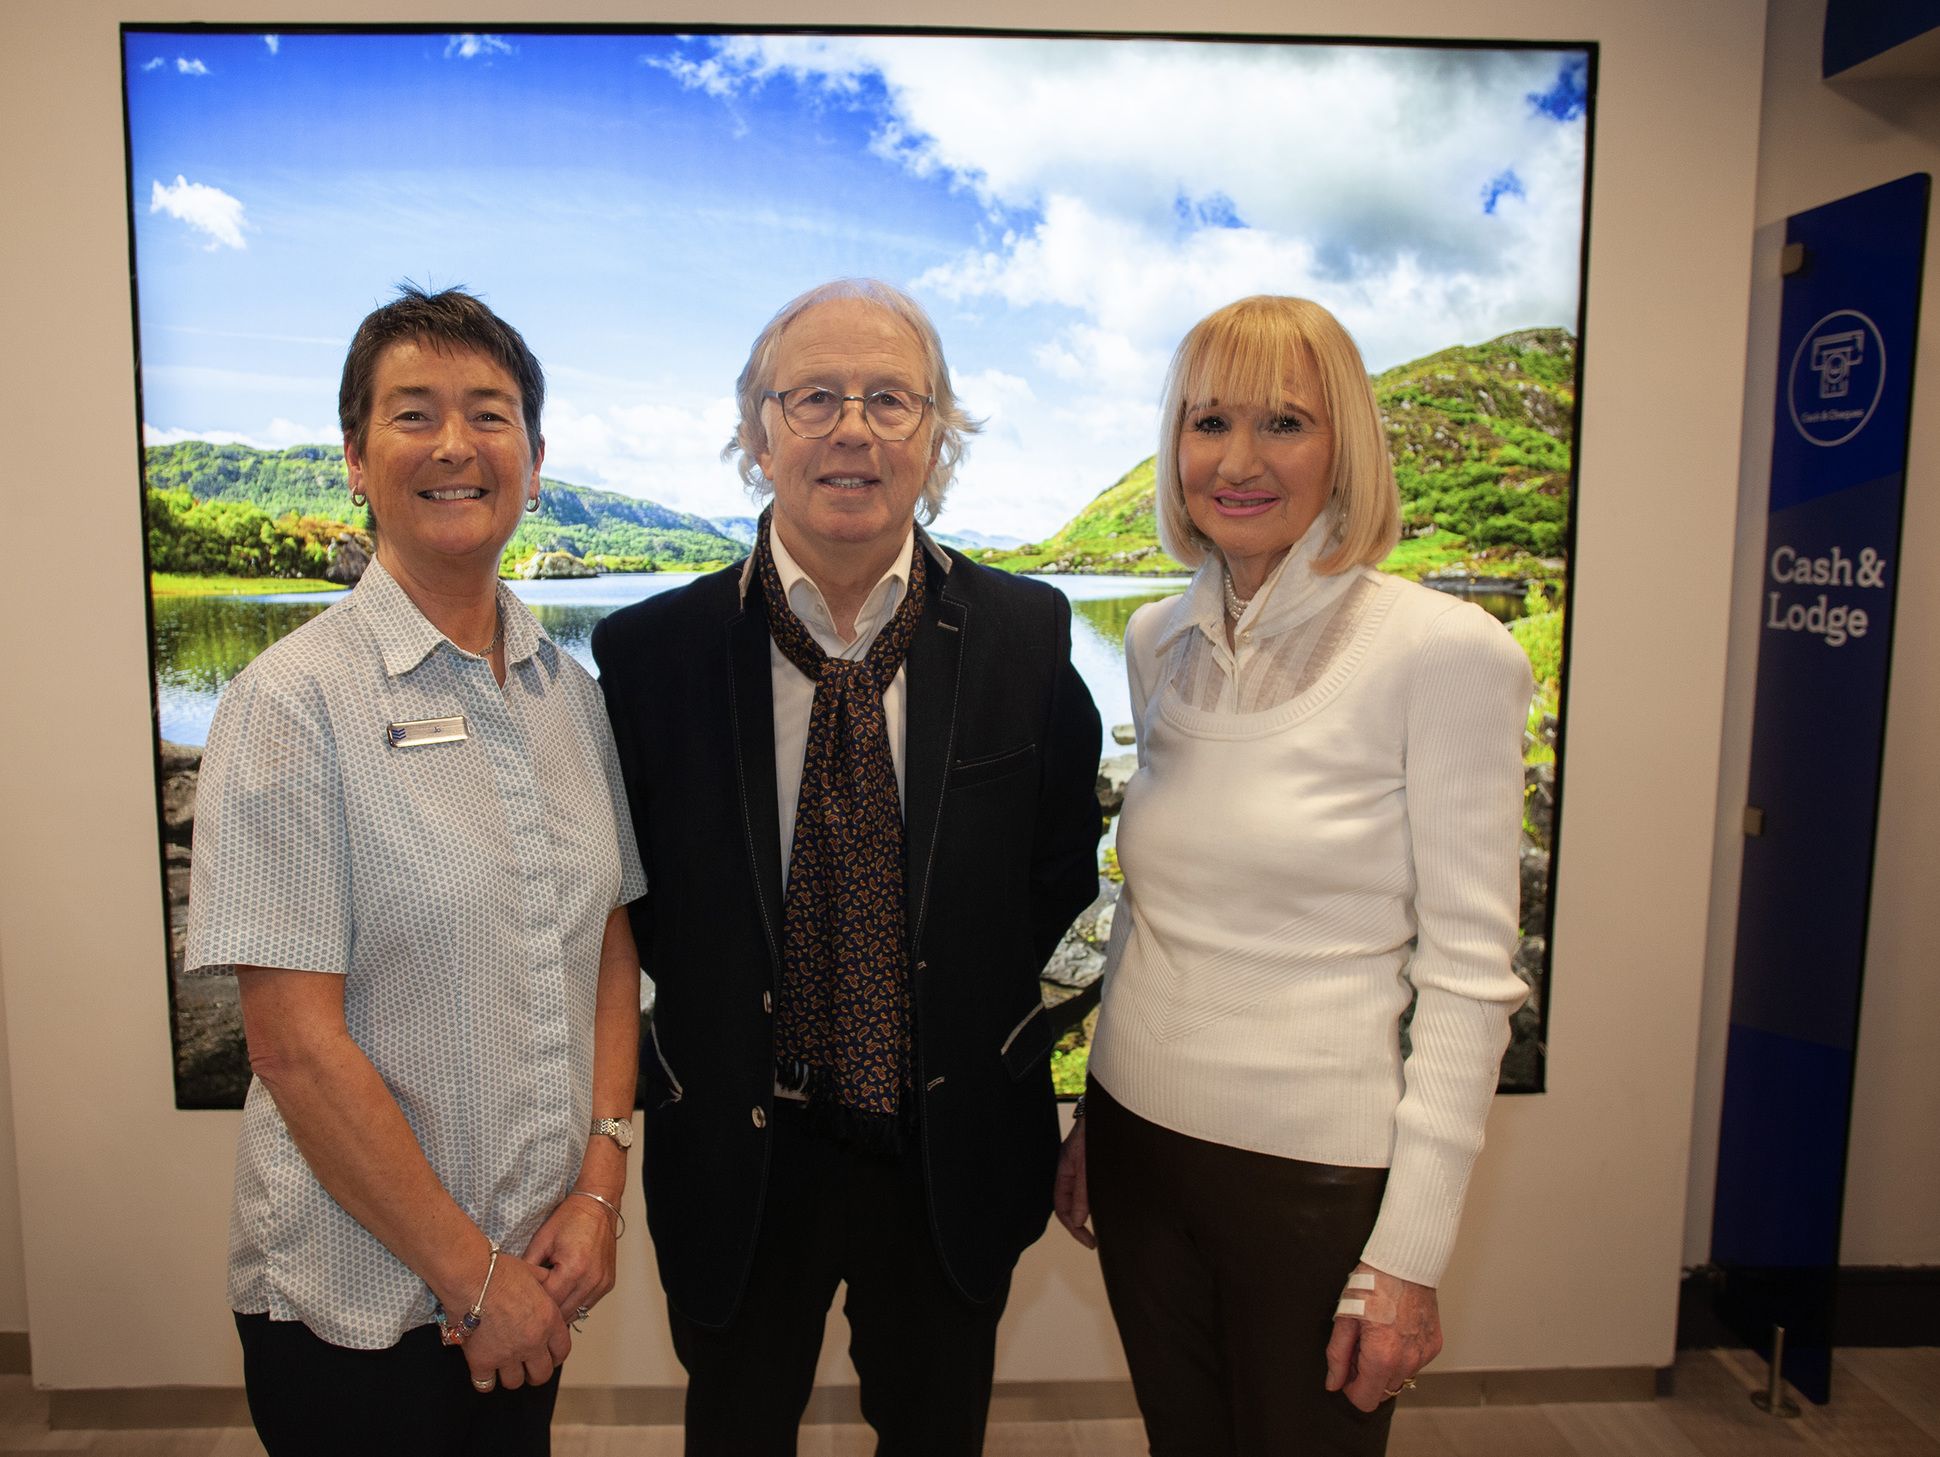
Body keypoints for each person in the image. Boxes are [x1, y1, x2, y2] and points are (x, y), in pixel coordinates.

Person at [591, 277, 1103, 1456]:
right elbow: (638, 903)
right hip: (738, 1142)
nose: (852, 428)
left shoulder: (1025, 635)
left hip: (948, 1151)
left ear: (936, 436)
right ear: (755, 432)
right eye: (814, 395)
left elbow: (1053, 876)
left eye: (889, 398)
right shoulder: (648, 654)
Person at [1053, 295, 1533, 1455]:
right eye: (1206, 421)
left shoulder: (1445, 654)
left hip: (1315, 1182)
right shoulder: (1155, 640)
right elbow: (1151, 908)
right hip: (1137, 1147)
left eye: (1283, 422)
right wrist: (1089, 1123)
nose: (1238, 460)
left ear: (1345, 446)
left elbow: (1470, 982)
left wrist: (1407, 1254)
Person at [185, 286, 646, 1455]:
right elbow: (293, 1045)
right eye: (412, 414)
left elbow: (603, 940)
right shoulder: (289, 704)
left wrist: (598, 1183)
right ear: (353, 457)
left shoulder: (569, 696)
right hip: (362, 1313)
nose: (455, 445)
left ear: (534, 462)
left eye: (489, 414)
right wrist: (471, 1276)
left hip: (539, 1271)